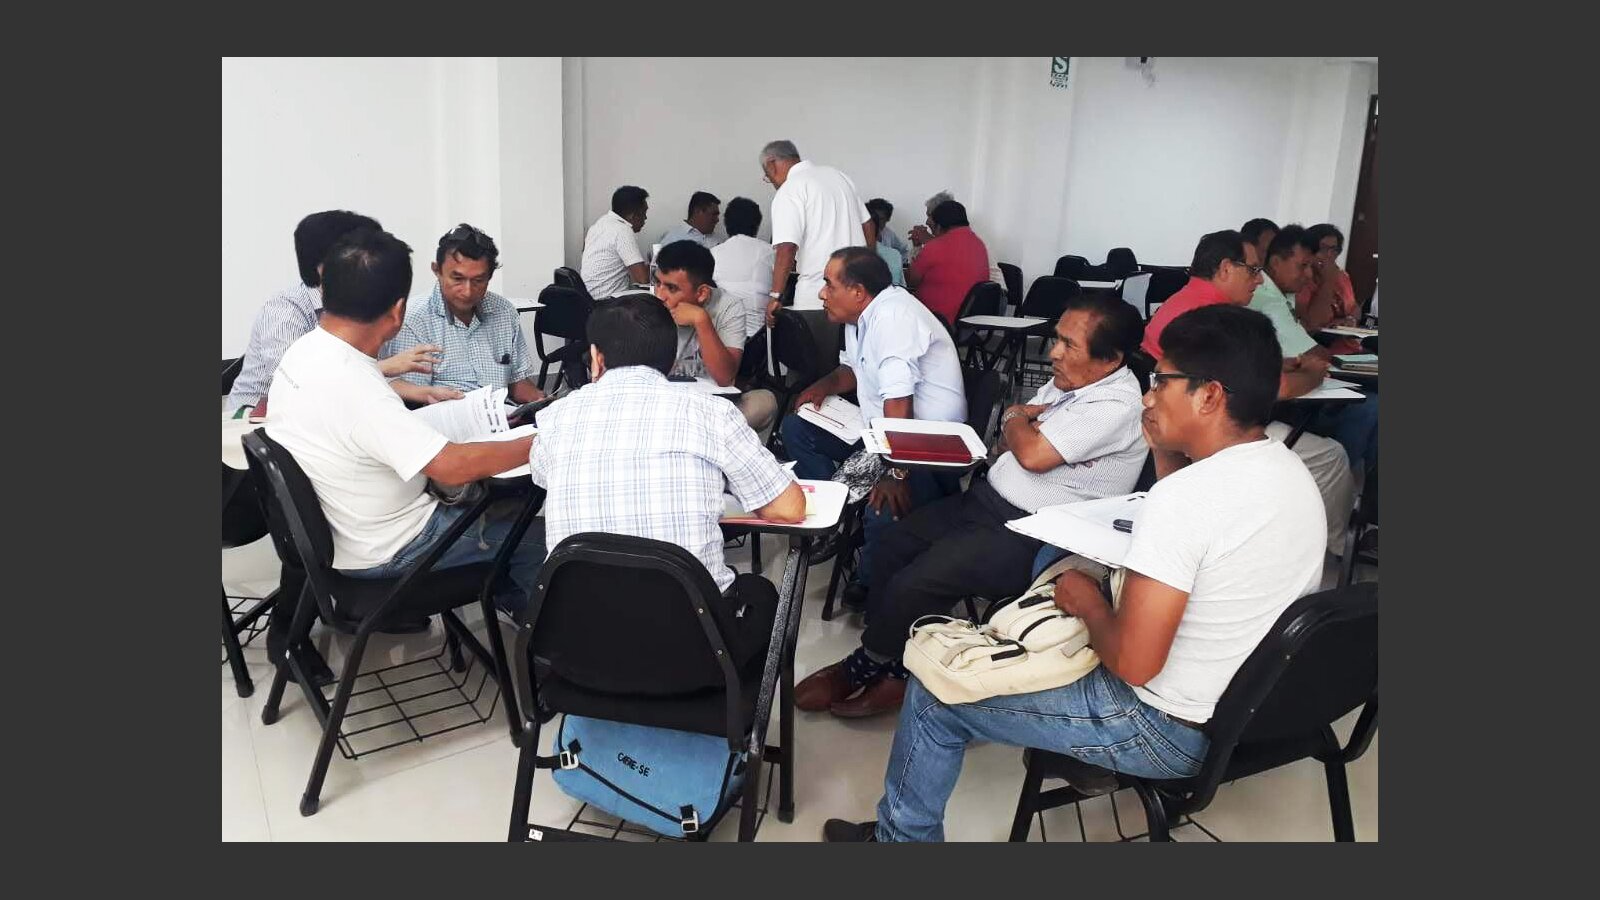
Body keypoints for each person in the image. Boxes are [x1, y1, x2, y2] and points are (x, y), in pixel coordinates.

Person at [822, 304, 1327, 842]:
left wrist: (1085, 600)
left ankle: (900, 841)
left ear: (1210, 396)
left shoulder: (1185, 501)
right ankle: (1075, 752)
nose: (1148, 397)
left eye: (1162, 382)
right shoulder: (1289, 472)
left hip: (1166, 728)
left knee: (936, 690)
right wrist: (1162, 453)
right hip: (1255, 714)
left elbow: (1133, 664)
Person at [795, 293, 1148, 719]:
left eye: (1068, 345)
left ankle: (873, 666)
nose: (1053, 353)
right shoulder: (1070, 381)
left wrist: (1016, 417)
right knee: (891, 545)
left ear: (1110, 359)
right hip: (987, 502)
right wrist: (1020, 427)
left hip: (1034, 532)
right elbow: (1010, 446)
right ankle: (891, 657)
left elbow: (1030, 453)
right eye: (1057, 339)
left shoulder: (1117, 404)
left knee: (917, 581)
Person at [265, 228, 547, 670]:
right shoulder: (355, 384)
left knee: (506, 515)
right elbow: (451, 467)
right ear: (398, 311)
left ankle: (514, 604)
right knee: (540, 539)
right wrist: (546, 439)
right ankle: (553, 658)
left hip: (342, 535)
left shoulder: (305, 353)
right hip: (395, 548)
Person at [530, 295, 806, 663]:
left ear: (596, 358)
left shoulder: (556, 417)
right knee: (762, 594)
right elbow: (790, 508)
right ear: (672, 360)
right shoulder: (712, 413)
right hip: (695, 655)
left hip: (580, 651)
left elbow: (545, 478)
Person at [1142, 231, 1353, 553]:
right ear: (1226, 268)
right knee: (1330, 456)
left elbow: (1227, 367)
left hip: (1183, 415)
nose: (1259, 279)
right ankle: (1332, 552)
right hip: (1211, 429)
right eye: (1253, 270)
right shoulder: (1212, 319)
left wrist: (1279, 364)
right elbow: (1276, 388)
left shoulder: (1184, 301)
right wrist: (1312, 373)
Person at [779, 247, 966, 587]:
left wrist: (895, 472)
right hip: (881, 432)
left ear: (858, 292)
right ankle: (836, 517)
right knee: (796, 427)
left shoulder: (893, 318)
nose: (822, 293)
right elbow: (853, 370)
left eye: (829, 284)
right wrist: (822, 386)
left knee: (883, 506)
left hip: (927, 448)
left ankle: (868, 586)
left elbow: (899, 402)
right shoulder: (859, 317)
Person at [228, 210, 451, 413]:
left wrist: (422, 393)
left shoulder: (359, 304)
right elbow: (296, 383)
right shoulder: (285, 310)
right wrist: (384, 367)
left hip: (325, 412)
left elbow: (367, 377)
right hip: (252, 420)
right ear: (328, 263)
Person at [382, 224, 544, 404]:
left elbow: (517, 382)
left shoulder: (504, 312)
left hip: (502, 413)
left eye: (478, 280)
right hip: (442, 415)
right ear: (437, 271)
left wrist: (543, 402)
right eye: (457, 279)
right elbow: (414, 397)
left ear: (489, 277)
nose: (467, 291)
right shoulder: (414, 319)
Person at [760, 140, 876, 364]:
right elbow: (868, 225)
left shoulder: (790, 189)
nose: (771, 182)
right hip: (857, 296)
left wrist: (775, 296)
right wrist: (869, 270)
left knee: (810, 367)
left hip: (818, 297)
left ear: (772, 164)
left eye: (767, 176)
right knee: (852, 364)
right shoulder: (838, 176)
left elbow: (786, 247)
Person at [652, 240, 779, 433]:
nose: (660, 295)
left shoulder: (728, 306)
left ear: (702, 293)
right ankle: (700, 436)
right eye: (657, 283)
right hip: (664, 404)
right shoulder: (651, 307)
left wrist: (701, 320)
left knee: (764, 403)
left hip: (710, 407)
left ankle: (694, 434)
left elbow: (725, 378)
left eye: (671, 288)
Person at [906, 200, 991, 326]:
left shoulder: (935, 247)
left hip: (936, 321)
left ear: (939, 227)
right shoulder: (979, 244)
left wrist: (917, 247)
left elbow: (910, 281)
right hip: (970, 322)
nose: (927, 223)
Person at [711, 197, 777, 342]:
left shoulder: (713, 253)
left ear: (727, 224)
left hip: (721, 337)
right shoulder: (770, 252)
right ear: (756, 225)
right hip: (759, 338)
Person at [581, 186, 650, 299]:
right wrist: (655, 266)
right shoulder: (622, 230)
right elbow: (643, 279)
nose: (645, 218)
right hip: (608, 302)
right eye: (644, 213)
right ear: (632, 215)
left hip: (590, 299)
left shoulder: (599, 224)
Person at [1296, 223, 1360, 334]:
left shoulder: (1342, 276)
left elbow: (1354, 309)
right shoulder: (1301, 278)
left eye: (1334, 250)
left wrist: (1350, 319)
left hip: (1345, 339)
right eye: (1323, 249)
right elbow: (1313, 323)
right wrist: (1328, 281)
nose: (1329, 255)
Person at [656, 190, 724, 251]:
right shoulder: (672, 239)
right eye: (714, 214)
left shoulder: (718, 239)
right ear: (698, 211)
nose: (717, 220)